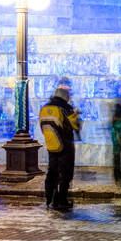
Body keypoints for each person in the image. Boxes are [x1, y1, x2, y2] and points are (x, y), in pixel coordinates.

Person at [39, 80, 82, 211]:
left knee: (52, 172)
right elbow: (76, 125)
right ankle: (61, 200)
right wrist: (76, 114)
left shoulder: (44, 108)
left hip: (51, 145)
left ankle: (49, 198)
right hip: (65, 146)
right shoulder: (65, 108)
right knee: (65, 173)